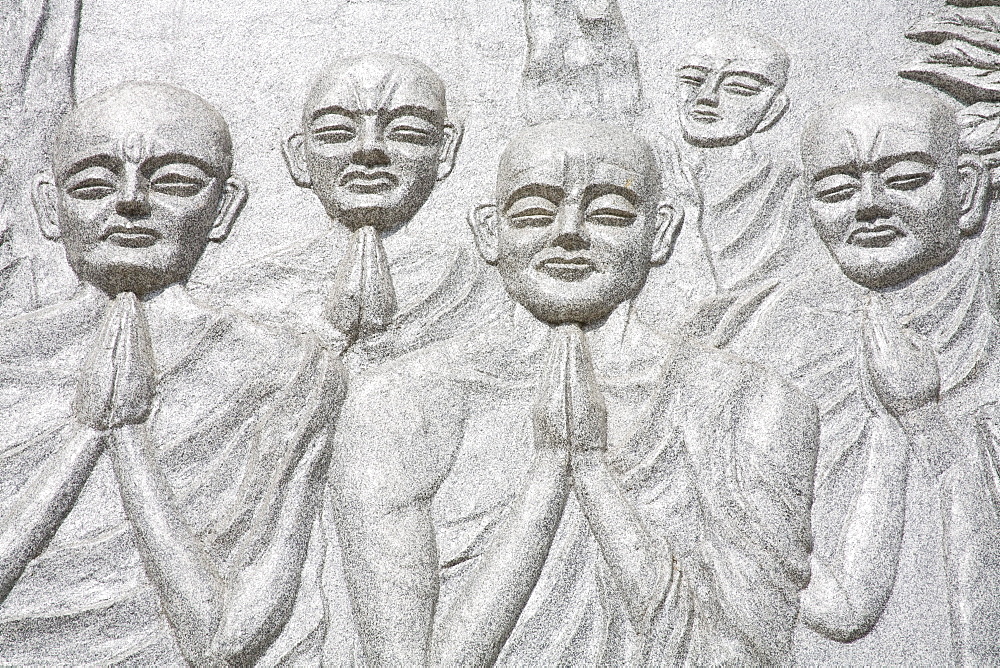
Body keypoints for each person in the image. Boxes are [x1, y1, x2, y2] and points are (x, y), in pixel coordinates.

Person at [331, 119, 819, 665]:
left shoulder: (749, 401)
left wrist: (592, 472)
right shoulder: (398, 403)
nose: (569, 233)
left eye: (608, 212)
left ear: (660, 233)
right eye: (535, 212)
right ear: (490, 232)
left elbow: (747, 654)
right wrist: (546, 478)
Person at [0, 82, 344, 665]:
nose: (130, 201)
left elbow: (223, 641)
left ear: (225, 207)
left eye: (175, 182)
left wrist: (127, 438)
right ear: (48, 207)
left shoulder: (286, 366)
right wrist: (85, 436)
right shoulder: (11, 354)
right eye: (93, 184)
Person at [726, 88, 1000, 664]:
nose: (868, 206)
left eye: (903, 180)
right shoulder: (773, 332)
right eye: (837, 190)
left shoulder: (985, 313)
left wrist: (925, 420)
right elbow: (832, 597)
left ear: (969, 192)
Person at [193, 53, 501, 367]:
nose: (369, 150)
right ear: (299, 156)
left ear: (445, 149)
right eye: (337, 133)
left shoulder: (481, 288)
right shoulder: (246, 293)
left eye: (407, 133)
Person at [642, 29, 825, 340]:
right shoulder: (647, 167)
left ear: (774, 109)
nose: (706, 97)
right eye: (692, 80)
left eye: (738, 87)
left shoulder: (793, 190)